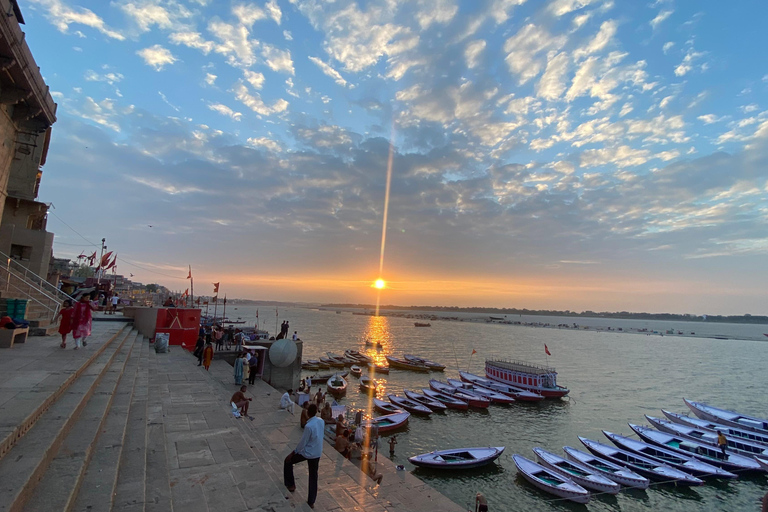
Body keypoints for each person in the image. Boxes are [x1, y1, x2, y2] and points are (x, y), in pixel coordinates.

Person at [284, 403, 322, 509]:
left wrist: (293, 453)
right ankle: (311, 501)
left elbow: (302, 443)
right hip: (317, 453)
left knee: (288, 461)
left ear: (308, 413)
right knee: (313, 477)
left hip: (308, 452)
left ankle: (291, 484)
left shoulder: (308, 426)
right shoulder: (321, 421)